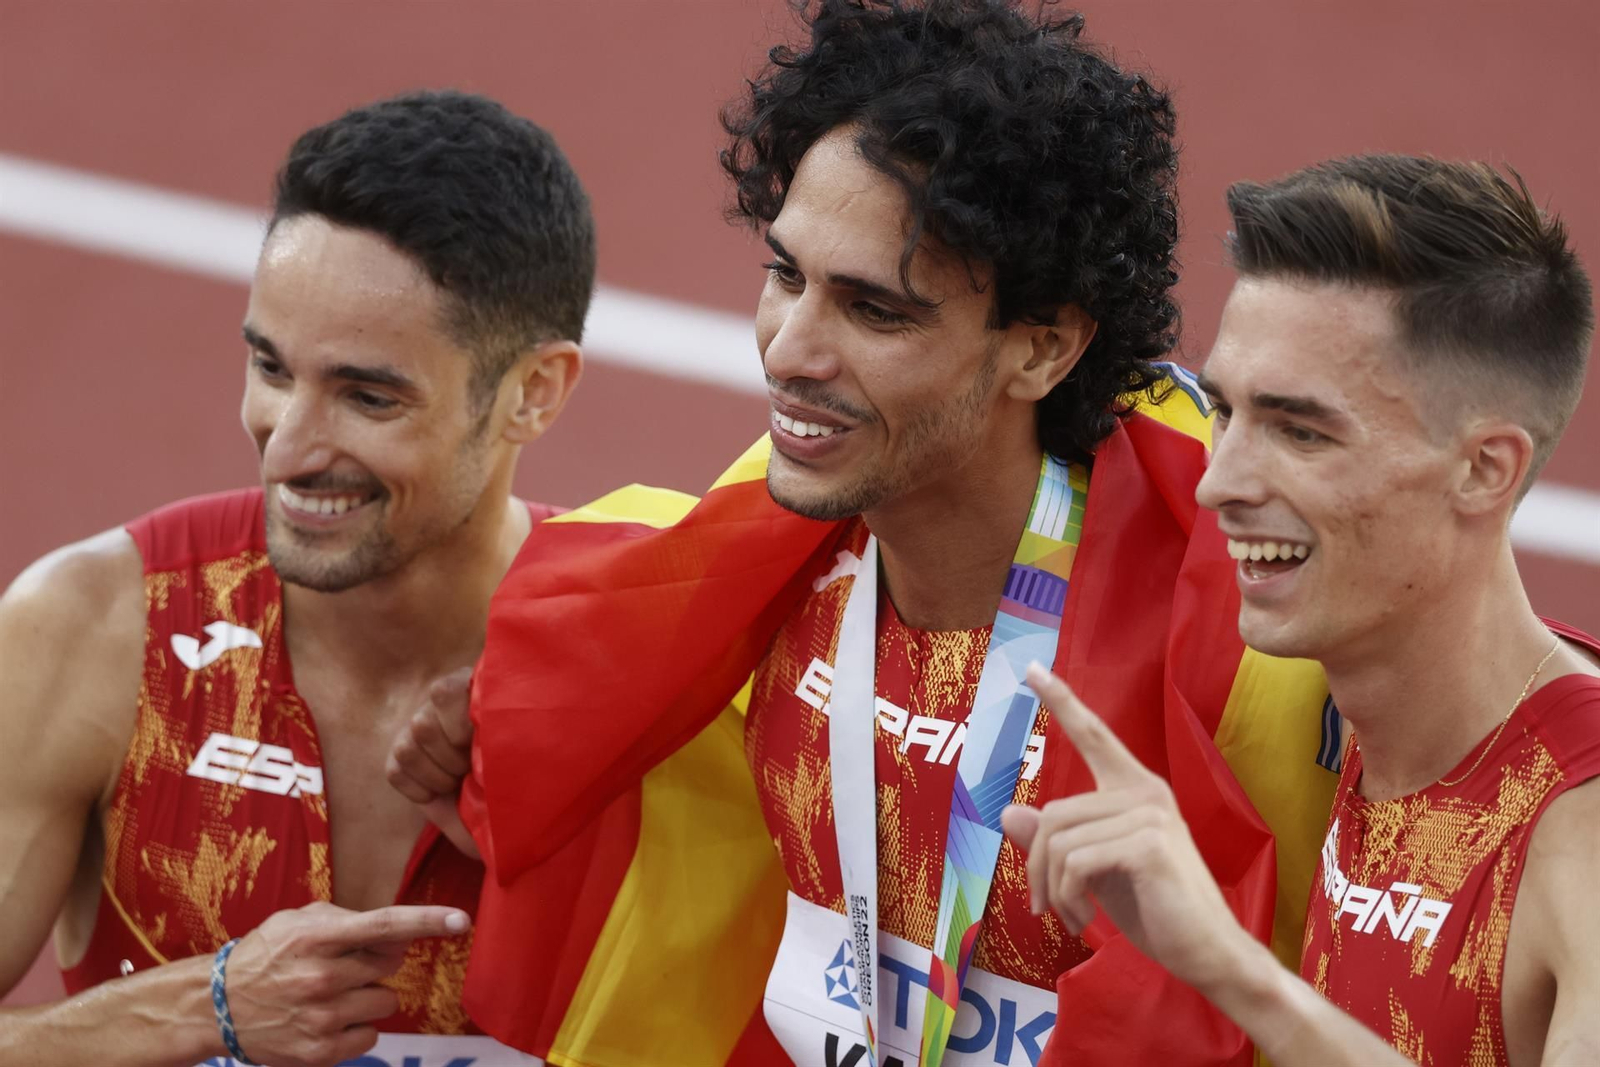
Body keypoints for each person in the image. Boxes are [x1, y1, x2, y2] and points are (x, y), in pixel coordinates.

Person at [396, 3, 1338, 1064]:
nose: (790, 350)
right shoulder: (756, 563)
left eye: (873, 310)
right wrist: (489, 737)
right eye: (784, 274)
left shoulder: (1241, 640)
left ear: (1040, 349)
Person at [0, 90, 591, 1066]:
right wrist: (196, 1009)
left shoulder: (640, 669)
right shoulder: (95, 629)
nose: (290, 450)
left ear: (532, 392)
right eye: (273, 370)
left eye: (366, 395)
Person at [1002, 154, 1600, 1065]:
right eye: (1225, 411)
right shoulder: (1365, 706)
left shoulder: (1580, 832)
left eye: (1301, 431)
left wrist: (1231, 968)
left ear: (1485, 469)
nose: (1221, 482)